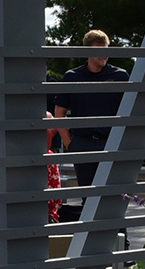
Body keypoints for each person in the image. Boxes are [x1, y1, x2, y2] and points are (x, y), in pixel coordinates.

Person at [48, 29, 131, 220]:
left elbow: (130, 111)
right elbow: (59, 112)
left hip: (112, 143)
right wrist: (70, 143)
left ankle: (120, 240)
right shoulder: (72, 76)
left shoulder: (120, 76)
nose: (104, 54)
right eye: (99, 50)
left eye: (106, 49)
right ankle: (90, 245)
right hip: (83, 143)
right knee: (89, 198)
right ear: (87, 51)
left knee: (115, 196)